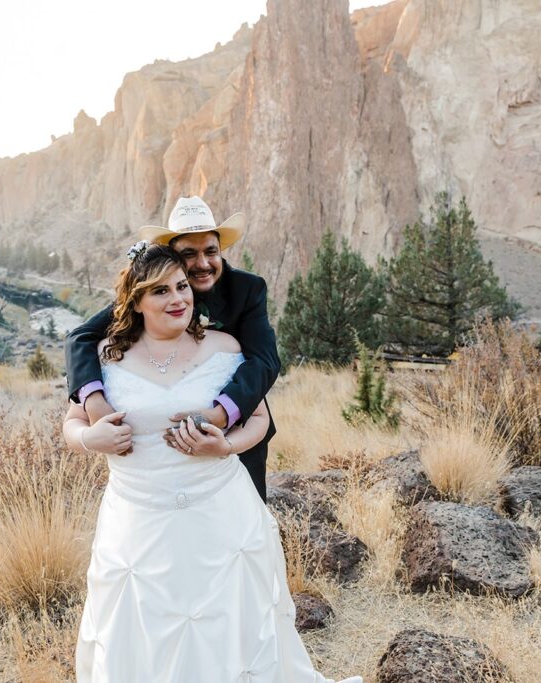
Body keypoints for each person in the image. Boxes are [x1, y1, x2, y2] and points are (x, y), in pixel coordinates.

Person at [63, 244, 360, 682]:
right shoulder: (106, 357)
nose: (178, 299)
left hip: (218, 512)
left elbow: (258, 418)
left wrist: (226, 447)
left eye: (182, 287)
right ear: (137, 301)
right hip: (137, 521)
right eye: (161, 291)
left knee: (228, 623)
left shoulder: (223, 348)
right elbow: (70, 424)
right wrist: (91, 437)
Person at [65, 196, 279, 500]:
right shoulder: (155, 290)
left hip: (240, 422)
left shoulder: (247, 289)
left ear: (221, 252)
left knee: (249, 508)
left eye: (211, 252)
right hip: (157, 456)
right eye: (189, 254)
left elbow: (265, 361)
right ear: (172, 258)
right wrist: (95, 402)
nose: (203, 264)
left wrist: (221, 415)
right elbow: (81, 337)